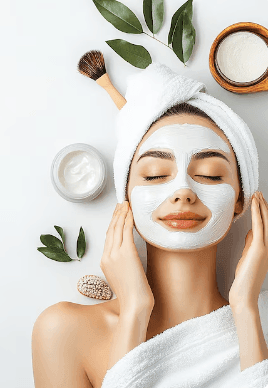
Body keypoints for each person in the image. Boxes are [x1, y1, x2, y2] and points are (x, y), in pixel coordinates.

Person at [31, 63, 268, 388]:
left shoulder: (263, 323)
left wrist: (246, 311)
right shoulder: (63, 332)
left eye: (211, 174)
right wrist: (134, 312)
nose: (183, 191)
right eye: (155, 174)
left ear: (241, 199)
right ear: (126, 197)